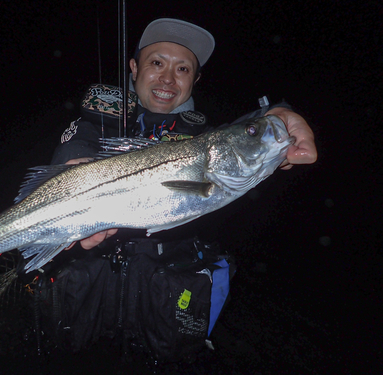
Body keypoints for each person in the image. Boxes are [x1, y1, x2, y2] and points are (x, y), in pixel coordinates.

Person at [41, 18, 317, 361]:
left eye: (183, 68)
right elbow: (76, 144)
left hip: (162, 306)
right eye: (157, 63)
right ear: (134, 66)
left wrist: (281, 113)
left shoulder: (201, 139)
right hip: (91, 300)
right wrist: (75, 165)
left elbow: (239, 134)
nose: (168, 79)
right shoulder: (100, 117)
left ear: (195, 79)